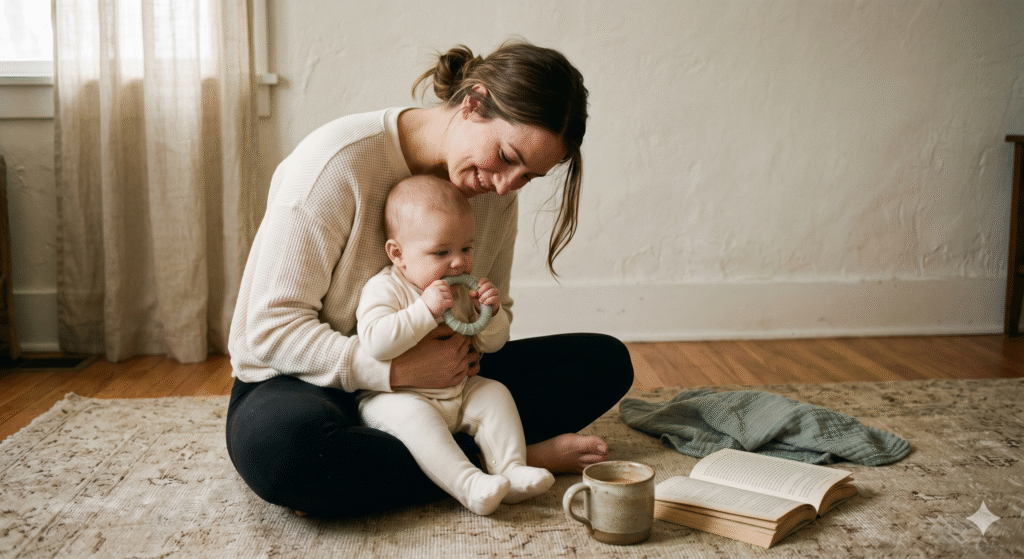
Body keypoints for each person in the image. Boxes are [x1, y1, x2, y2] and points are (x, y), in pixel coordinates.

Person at [225, 39, 634, 517]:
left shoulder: (496, 191)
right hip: (311, 380)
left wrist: (478, 330)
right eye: (505, 156)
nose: (505, 186)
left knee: (605, 361)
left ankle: (406, 469)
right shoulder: (335, 164)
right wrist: (395, 372)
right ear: (473, 102)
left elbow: (485, 314)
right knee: (290, 455)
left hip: (444, 383)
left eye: (528, 176)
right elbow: (268, 332)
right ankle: (493, 461)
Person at [356, 175, 554, 516]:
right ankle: (469, 484)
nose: (459, 263)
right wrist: (424, 311)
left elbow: (492, 345)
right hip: (398, 399)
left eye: (466, 248)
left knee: (494, 394)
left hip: (458, 390)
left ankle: (510, 468)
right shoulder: (385, 289)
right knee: (415, 420)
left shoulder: (463, 292)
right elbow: (375, 342)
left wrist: (489, 315)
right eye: (441, 252)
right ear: (398, 254)